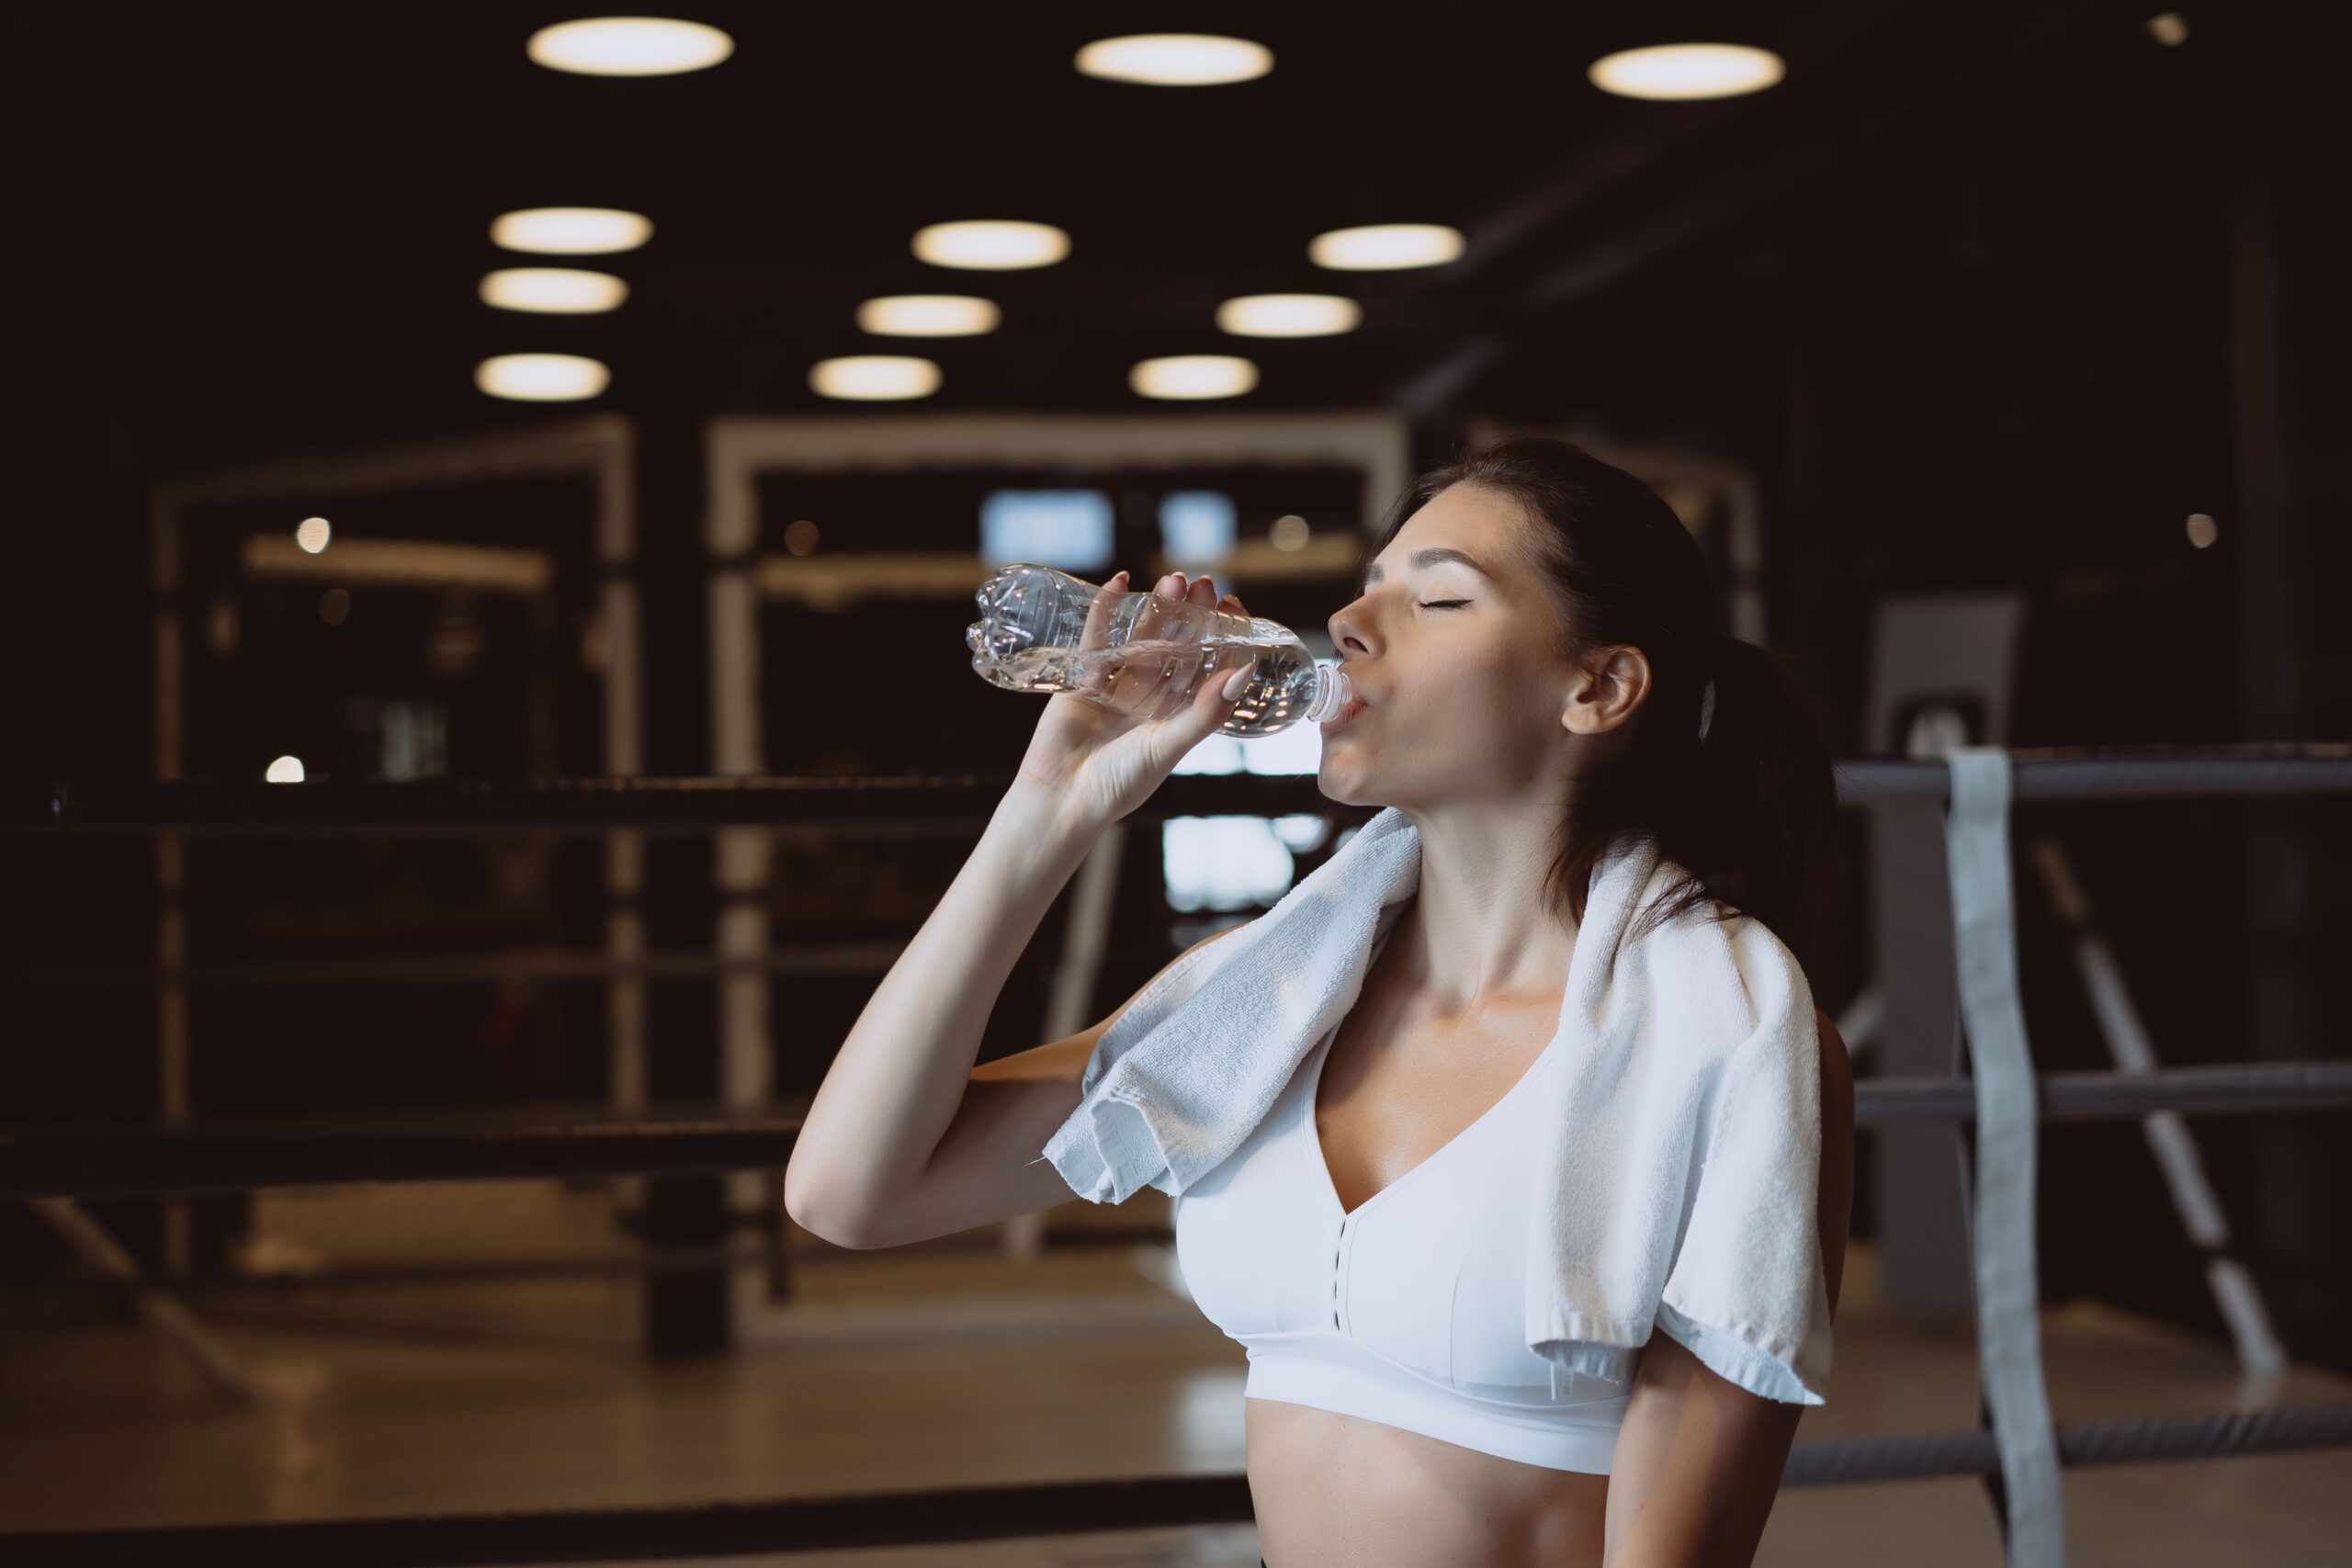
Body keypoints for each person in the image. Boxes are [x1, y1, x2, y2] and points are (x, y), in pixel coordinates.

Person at [785, 434, 1855, 1568]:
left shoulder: (1719, 1040)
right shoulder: (1265, 1008)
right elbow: (852, 1193)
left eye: (1437, 597)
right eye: (1368, 582)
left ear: (1596, 687)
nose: (1350, 622)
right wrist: (1046, 815)